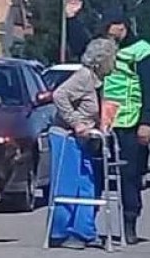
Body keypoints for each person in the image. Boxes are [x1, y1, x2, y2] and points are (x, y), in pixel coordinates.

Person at [65, 0, 150, 245]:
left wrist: (146, 122)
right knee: (94, 173)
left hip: (130, 123)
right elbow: (82, 48)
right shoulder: (104, 47)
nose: (107, 34)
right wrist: (72, 19)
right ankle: (87, 226)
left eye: (110, 29)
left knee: (129, 176)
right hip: (102, 122)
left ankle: (129, 225)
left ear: (122, 26)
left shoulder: (143, 53)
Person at [48, 38, 117, 250]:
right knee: (68, 185)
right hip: (66, 136)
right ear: (101, 60)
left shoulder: (98, 81)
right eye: (112, 58)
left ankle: (84, 231)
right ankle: (61, 232)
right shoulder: (83, 77)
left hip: (84, 139)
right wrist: (76, 122)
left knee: (87, 184)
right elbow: (59, 95)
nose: (114, 63)